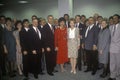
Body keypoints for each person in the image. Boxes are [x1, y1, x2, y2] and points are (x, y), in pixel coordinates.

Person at [108, 14, 120, 80]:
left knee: (118, 63)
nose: (114, 19)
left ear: (119, 19)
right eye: (113, 18)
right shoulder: (110, 27)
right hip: (111, 48)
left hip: (118, 48)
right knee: (112, 63)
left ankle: (118, 77)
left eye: (116, 18)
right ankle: (112, 76)